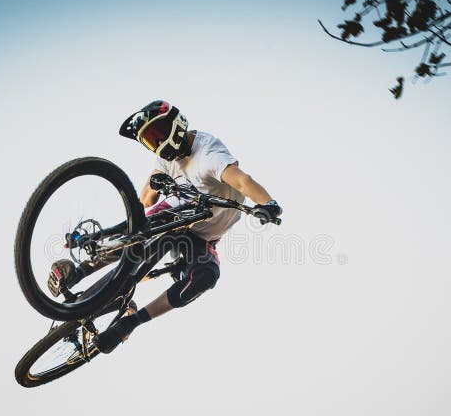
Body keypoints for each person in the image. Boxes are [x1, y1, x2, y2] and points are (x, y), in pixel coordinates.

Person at [48, 100, 281, 353]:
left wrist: (267, 203)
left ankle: (130, 323)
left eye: (157, 135)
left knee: (206, 275)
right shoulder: (165, 159)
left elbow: (243, 181)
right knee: (150, 223)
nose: (157, 145)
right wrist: (120, 232)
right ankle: (78, 271)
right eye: (149, 141)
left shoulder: (208, 155)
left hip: (201, 237)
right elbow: (145, 200)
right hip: (173, 215)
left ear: (176, 124)